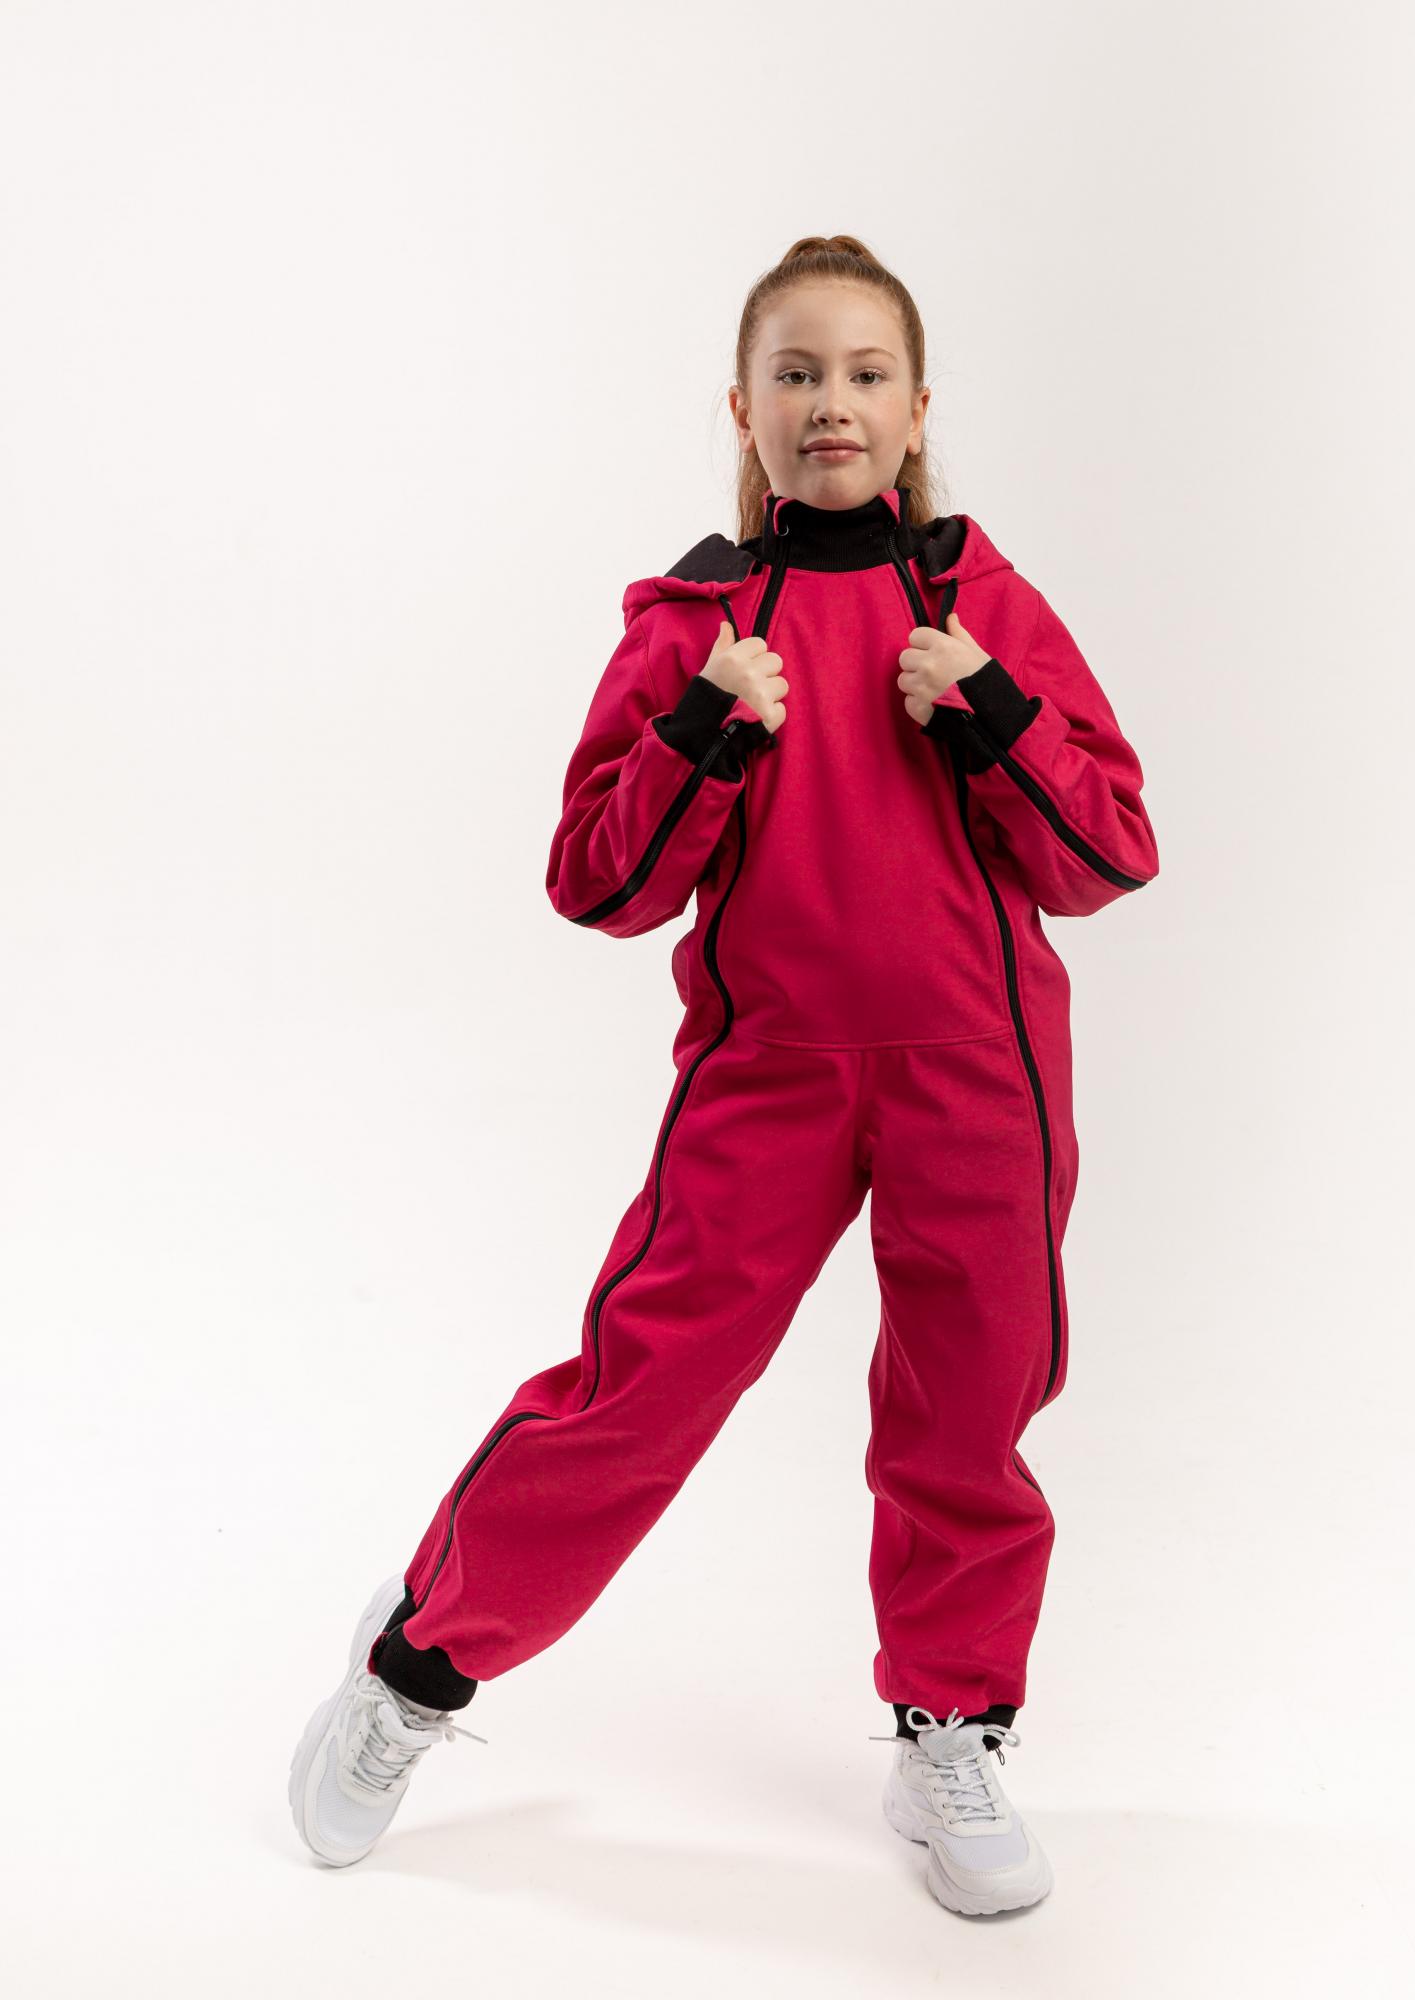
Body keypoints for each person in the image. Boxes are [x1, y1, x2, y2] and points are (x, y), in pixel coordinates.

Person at [289, 234, 1160, 1915]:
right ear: (744, 409)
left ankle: (952, 1726)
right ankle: (413, 1669)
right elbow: (597, 885)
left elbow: (1111, 852)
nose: (832, 403)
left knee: (970, 1412)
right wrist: (704, 726)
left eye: (865, 374)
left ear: (917, 409)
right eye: (796, 374)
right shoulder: (693, 624)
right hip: (768, 1076)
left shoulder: (983, 607)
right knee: (642, 1392)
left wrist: (988, 714)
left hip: (980, 1075)